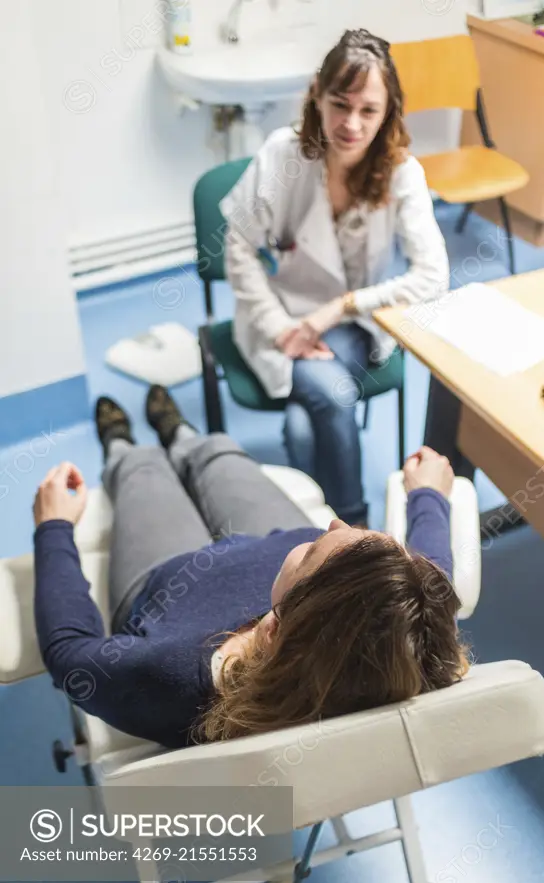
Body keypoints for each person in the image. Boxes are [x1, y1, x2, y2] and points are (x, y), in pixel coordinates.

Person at [32, 387, 468, 749]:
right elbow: (430, 583)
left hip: (169, 584)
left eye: (316, 548)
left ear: (271, 630)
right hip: (266, 542)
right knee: (218, 452)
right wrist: (427, 495)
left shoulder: (172, 673)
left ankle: (121, 446)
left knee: (143, 472)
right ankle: (180, 434)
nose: (334, 523)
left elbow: (70, 654)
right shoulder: (406, 646)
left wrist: (52, 527)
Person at [221, 27, 450, 526]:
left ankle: (318, 532)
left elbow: (433, 277)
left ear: (388, 111)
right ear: (316, 97)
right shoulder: (283, 156)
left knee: (314, 416)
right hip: (279, 320)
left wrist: (341, 307)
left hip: (351, 323)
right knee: (325, 405)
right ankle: (353, 527)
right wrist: (281, 327)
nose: (351, 124)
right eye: (339, 104)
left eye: (368, 110)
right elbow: (237, 246)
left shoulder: (401, 172)